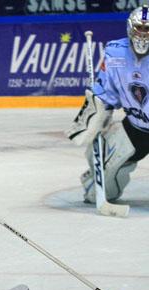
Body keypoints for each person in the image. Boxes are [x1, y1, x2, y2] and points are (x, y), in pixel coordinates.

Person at [66, 6, 149, 203]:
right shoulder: (115, 53)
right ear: (130, 28)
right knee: (102, 184)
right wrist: (95, 114)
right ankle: (97, 180)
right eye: (140, 28)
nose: (144, 35)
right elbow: (105, 91)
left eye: (148, 30)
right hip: (137, 127)